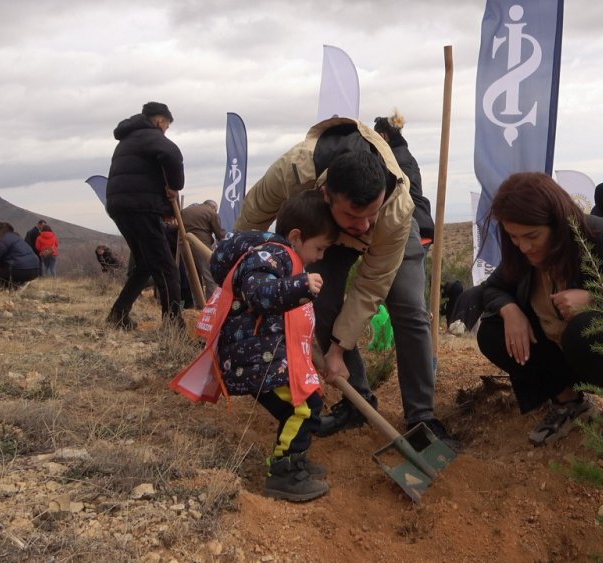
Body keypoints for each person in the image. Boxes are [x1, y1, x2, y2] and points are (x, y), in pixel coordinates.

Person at [234, 116, 456, 447]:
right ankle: (357, 403)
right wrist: (239, 267)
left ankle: (421, 416)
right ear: (326, 194)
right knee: (317, 301)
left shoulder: (393, 210)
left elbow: (370, 286)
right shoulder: (295, 171)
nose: (364, 226)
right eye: (354, 215)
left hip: (394, 234)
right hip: (326, 230)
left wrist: (338, 349)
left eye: (370, 214)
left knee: (409, 308)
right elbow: (253, 218)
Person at [477, 172, 603, 445]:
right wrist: (509, 310)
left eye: (532, 236)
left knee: (584, 329)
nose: (523, 246)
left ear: (557, 223)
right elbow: (491, 289)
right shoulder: (524, 250)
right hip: (570, 355)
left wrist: (596, 298)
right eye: (514, 237)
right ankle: (569, 403)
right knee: (493, 330)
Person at [212, 190, 339, 502]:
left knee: (297, 408)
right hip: (257, 357)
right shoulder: (273, 255)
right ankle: (284, 474)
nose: (320, 257)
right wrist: (300, 285)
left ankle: (295, 459)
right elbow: (259, 293)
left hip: (262, 356)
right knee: (306, 405)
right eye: (319, 248)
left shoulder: (282, 256)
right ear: (296, 236)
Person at [104, 101, 185, 331]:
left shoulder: (128, 138)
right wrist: (174, 185)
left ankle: (118, 314)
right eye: (166, 126)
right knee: (167, 267)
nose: (165, 131)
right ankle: (173, 326)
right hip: (140, 206)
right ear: (160, 121)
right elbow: (172, 154)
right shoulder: (150, 135)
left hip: (120, 206)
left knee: (145, 264)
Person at [374, 110, 435, 249]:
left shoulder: (395, 159)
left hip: (410, 227)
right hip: (416, 225)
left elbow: (397, 192)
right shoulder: (403, 156)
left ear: (383, 136)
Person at [0, 220, 40, 289]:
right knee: (0, 271)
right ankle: (18, 283)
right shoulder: (10, 235)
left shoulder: (1, 240)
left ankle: (15, 287)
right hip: (34, 268)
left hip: (22, 270)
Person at [181, 199, 225, 294]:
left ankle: (198, 304)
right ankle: (211, 303)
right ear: (213, 207)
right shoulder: (211, 212)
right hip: (201, 245)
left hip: (183, 245)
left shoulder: (185, 211)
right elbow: (220, 234)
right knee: (209, 275)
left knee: (193, 276)